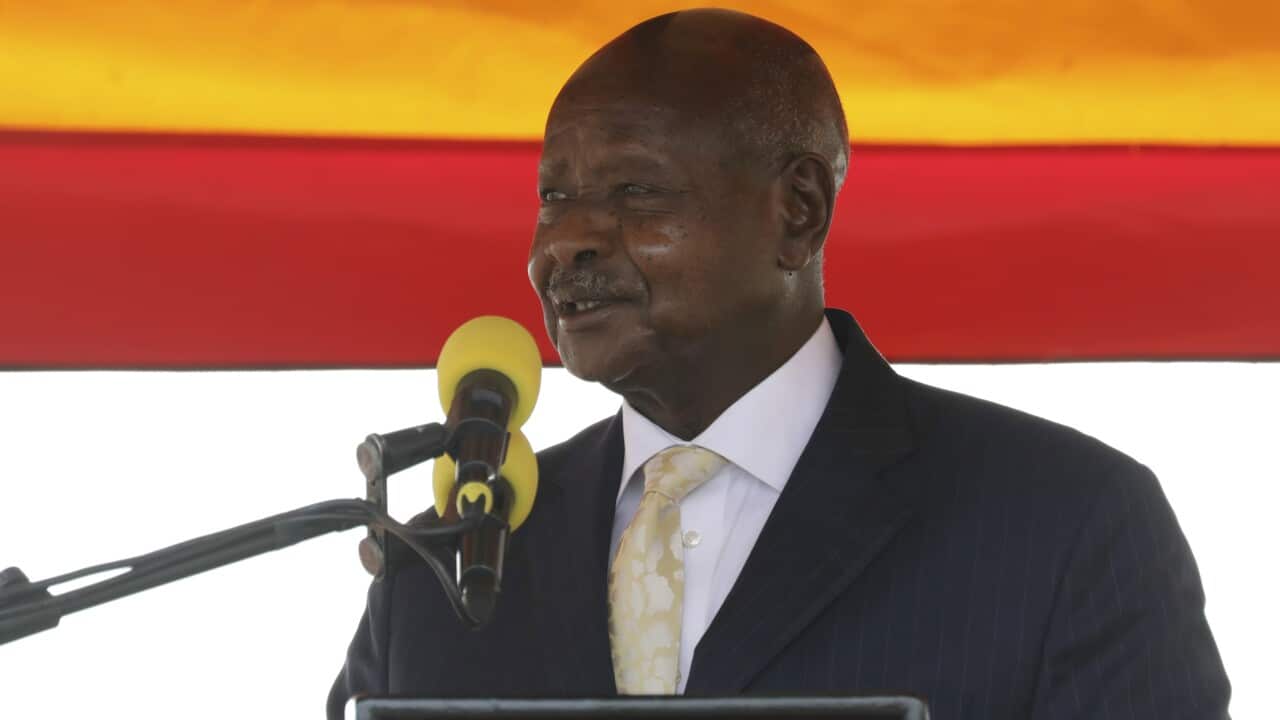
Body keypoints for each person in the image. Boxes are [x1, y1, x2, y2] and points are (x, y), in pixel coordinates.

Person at [329, 9, 1230, 718]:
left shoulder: (1062, 524)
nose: (566, 242)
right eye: (552, 197)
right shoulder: (442, 570)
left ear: (798, 211)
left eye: (635, 191)